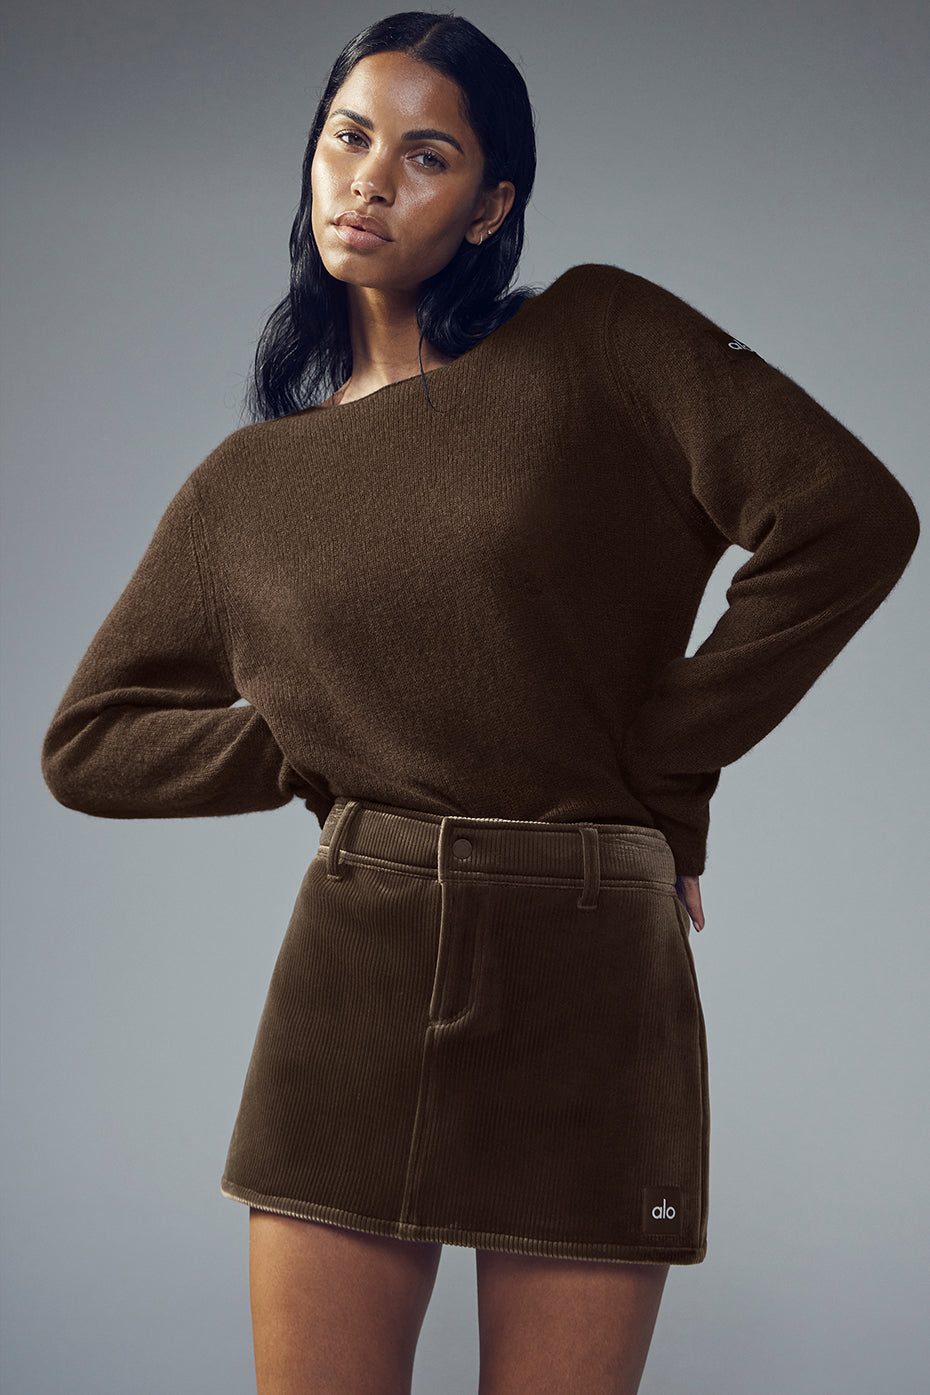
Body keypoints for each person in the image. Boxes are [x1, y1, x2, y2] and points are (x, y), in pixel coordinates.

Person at [40, 10, 919, 1394]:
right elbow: (89, 743)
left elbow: (849, 518)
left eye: (425, 154)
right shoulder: (247, 487)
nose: (369, 179)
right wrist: (308, 732)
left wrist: (668, 765)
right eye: (347, 138)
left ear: (492, 205)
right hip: (361, 959)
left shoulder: (601, 338)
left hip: (587, 948)